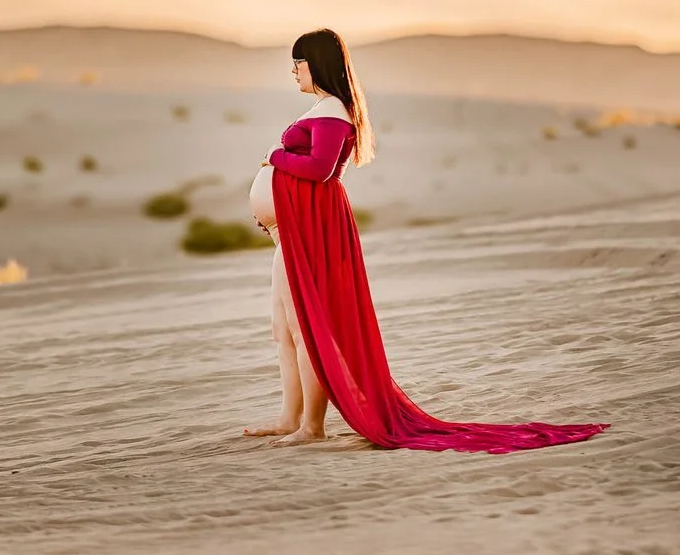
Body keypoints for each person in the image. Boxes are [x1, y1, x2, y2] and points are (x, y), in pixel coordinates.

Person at [243, 28, 609, 452]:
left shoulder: (333, 111)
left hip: (311, 230)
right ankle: (289, 415)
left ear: (317, 64)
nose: (293, 71)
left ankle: (311, 425)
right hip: (293, 228)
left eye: (299, 63)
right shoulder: (323, 109)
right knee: (282, 327)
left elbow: (321, 169)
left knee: (306, 327)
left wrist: (275, 156)